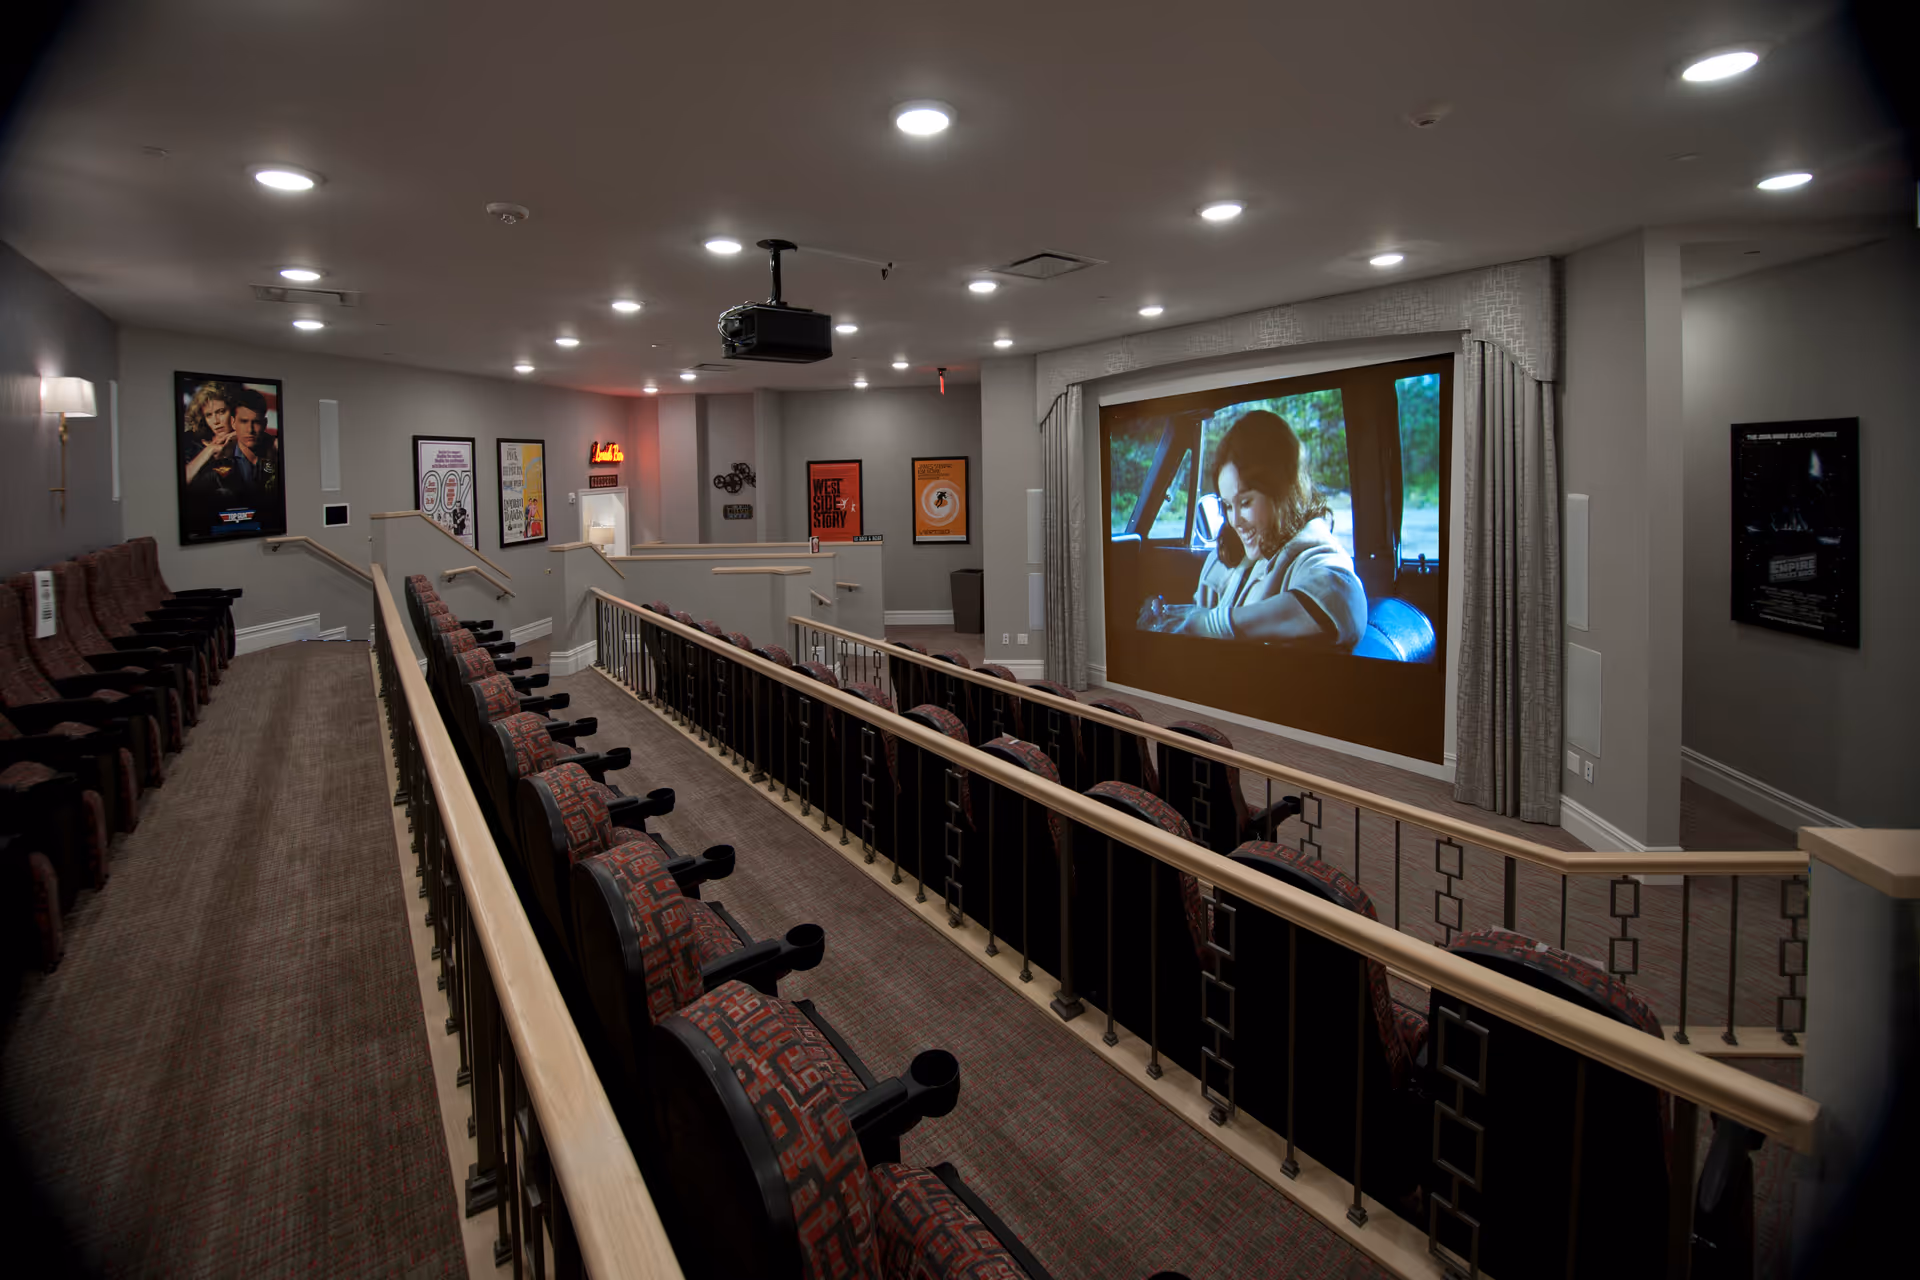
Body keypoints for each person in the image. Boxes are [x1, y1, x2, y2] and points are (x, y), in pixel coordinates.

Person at [1137, 410, 1366, 647]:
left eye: (1245, 502)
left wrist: (1209, 624)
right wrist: (1169, 621)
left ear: (1281, 492)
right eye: (1227, 505)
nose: (1235, 520)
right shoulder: (1222, 560)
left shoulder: (1314, 559)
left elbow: (1341, 597)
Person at [180, 380, 240, 484]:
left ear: (233, 410)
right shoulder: (190, 441)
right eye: (209, 415)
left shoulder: (249, 441)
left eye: (221, 412)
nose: (216, 421)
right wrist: (210, 450)